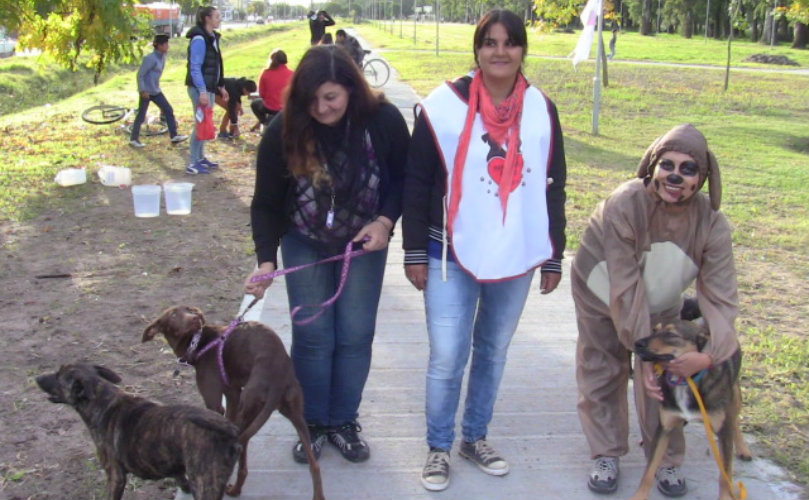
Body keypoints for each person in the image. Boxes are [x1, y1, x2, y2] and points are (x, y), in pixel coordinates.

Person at [402, 9, 567, 492]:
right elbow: (416, 181)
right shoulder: (443, 105)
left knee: (492, 351)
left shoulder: (541, 107)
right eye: (490, 43)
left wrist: (553, 253)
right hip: (447, 252)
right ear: (476, 49)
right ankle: (438, 447)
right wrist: (414, 251)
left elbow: (552, 185)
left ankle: (474, 437)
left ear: (523, 50)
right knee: (448, 356)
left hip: (514, 252)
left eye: (510, 43)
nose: (500, 52)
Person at [244, 44, 410, 465]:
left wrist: (386, 221)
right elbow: (265, 204)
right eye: (312, 99)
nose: (321, 108)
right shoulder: (283, 130)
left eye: (331, 97)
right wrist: (266, 262)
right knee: (315, 337)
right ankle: (313, 423)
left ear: (352, 90)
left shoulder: (383, 121)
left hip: (363, 241)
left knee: (355, 334)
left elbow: (404, 179)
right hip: (305, 240)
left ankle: (343, 421)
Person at [573, 124, 737, 498]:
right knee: (604, 367)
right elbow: (625, 286)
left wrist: (709, 356)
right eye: (668, 165)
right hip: (602, 291)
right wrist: (642, 350)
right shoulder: (625, 203)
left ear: (704, 177)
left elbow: (721, 298)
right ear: (652, 166)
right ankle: (606, 452)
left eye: (688, 169)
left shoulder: (711, 223)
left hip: (662, 300)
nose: (675, 176)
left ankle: (666, 459)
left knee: (665, 379)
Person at [185, 5, 228, 175]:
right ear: (207, 19)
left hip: (209, 88)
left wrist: (220, 86)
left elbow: (216, 65)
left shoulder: (211, 38)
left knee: (206, 124)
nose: (220, 19)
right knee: (200, 124)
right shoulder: (199, 39)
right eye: (217, 16)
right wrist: (202, 91)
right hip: (199, 89)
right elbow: (195, 67)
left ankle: (201, 157)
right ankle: (192, 162)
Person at [129, 34, 188, 148]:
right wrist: (142, 90)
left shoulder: (162, 58)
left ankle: (174, 136)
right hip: (146, 92)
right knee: (141, 115)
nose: (168, 46)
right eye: (165, 44)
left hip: (156, 90)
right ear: (159, 46)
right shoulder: (150, 59)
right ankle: (134, 139)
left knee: (168, 109)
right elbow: (140, 75)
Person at [251, 49, 294, 129]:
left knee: (255, 104)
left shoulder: (265, 73)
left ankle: (264, 121)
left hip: (270, 108)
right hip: (287, 108)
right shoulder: (292, 74)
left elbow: (262, 94)